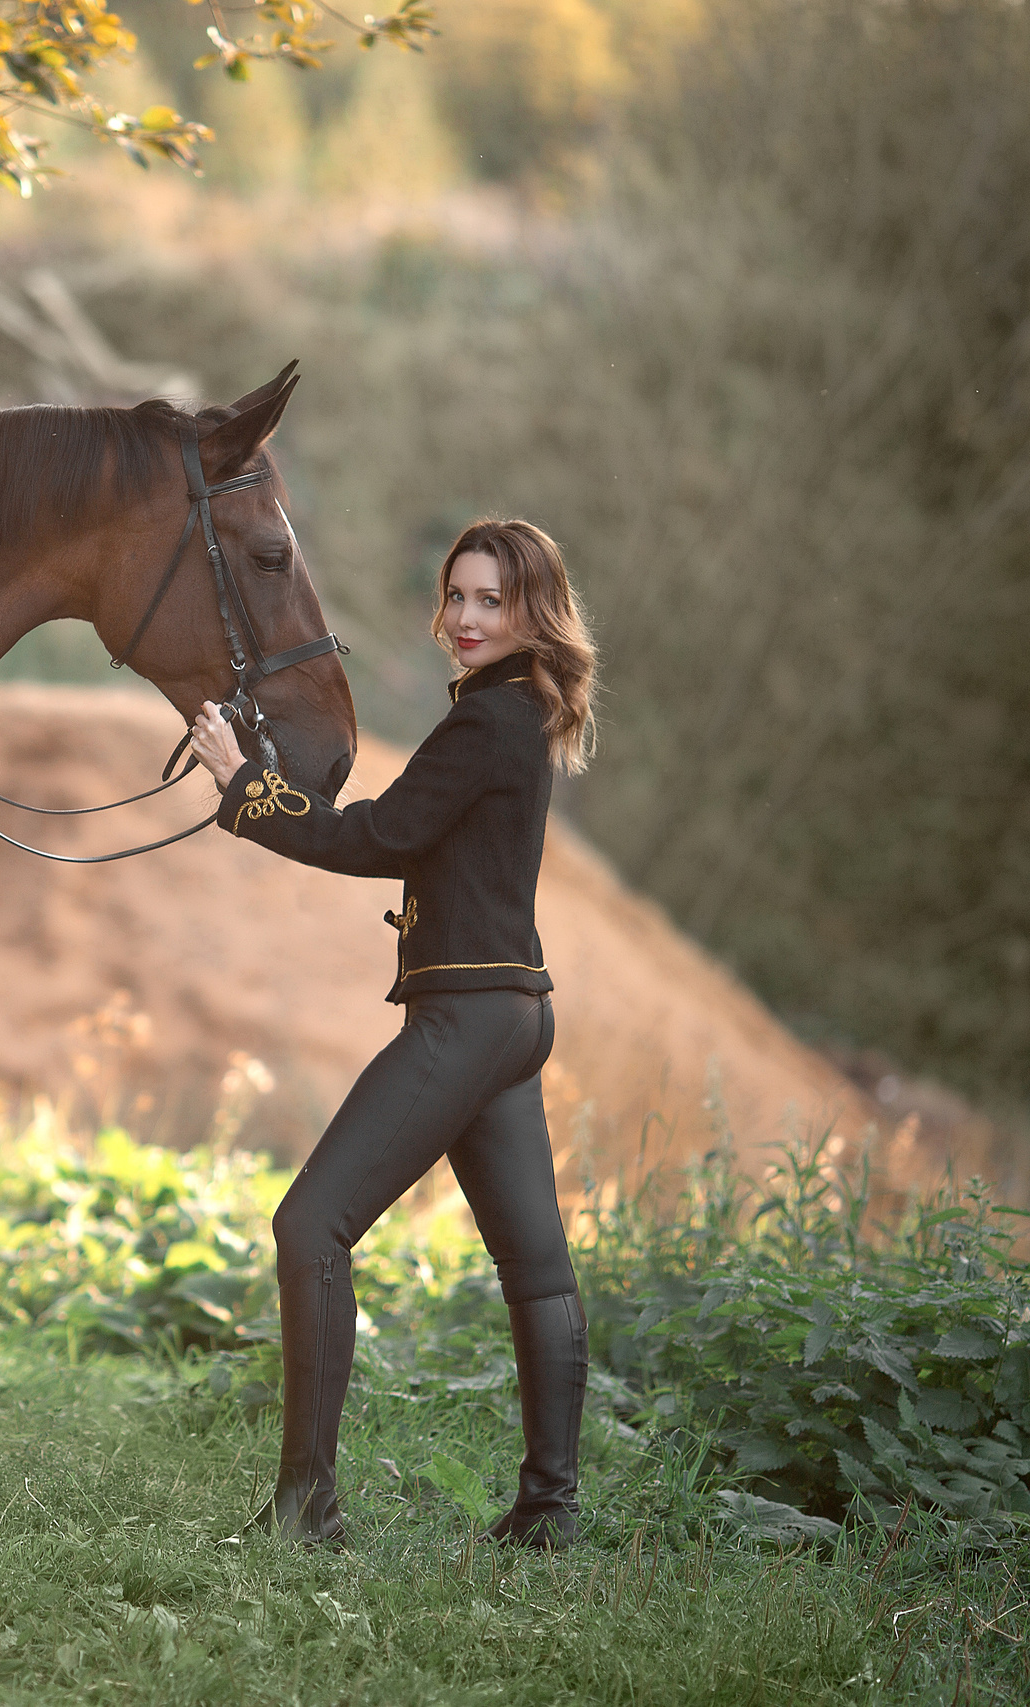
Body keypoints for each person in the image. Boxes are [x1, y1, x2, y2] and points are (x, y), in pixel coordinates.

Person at [187, 517, 600, 1549]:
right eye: (456, 597)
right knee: (539, 1273)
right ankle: (547, 1513)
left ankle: (307, 1509)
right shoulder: (519, 713)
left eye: (489, 601)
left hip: (467, 1019)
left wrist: (243, 785)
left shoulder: (488, 723)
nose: (463, 618)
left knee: (309, 1227)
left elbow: (379, 836)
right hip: (512, 1013)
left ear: (531, 612)